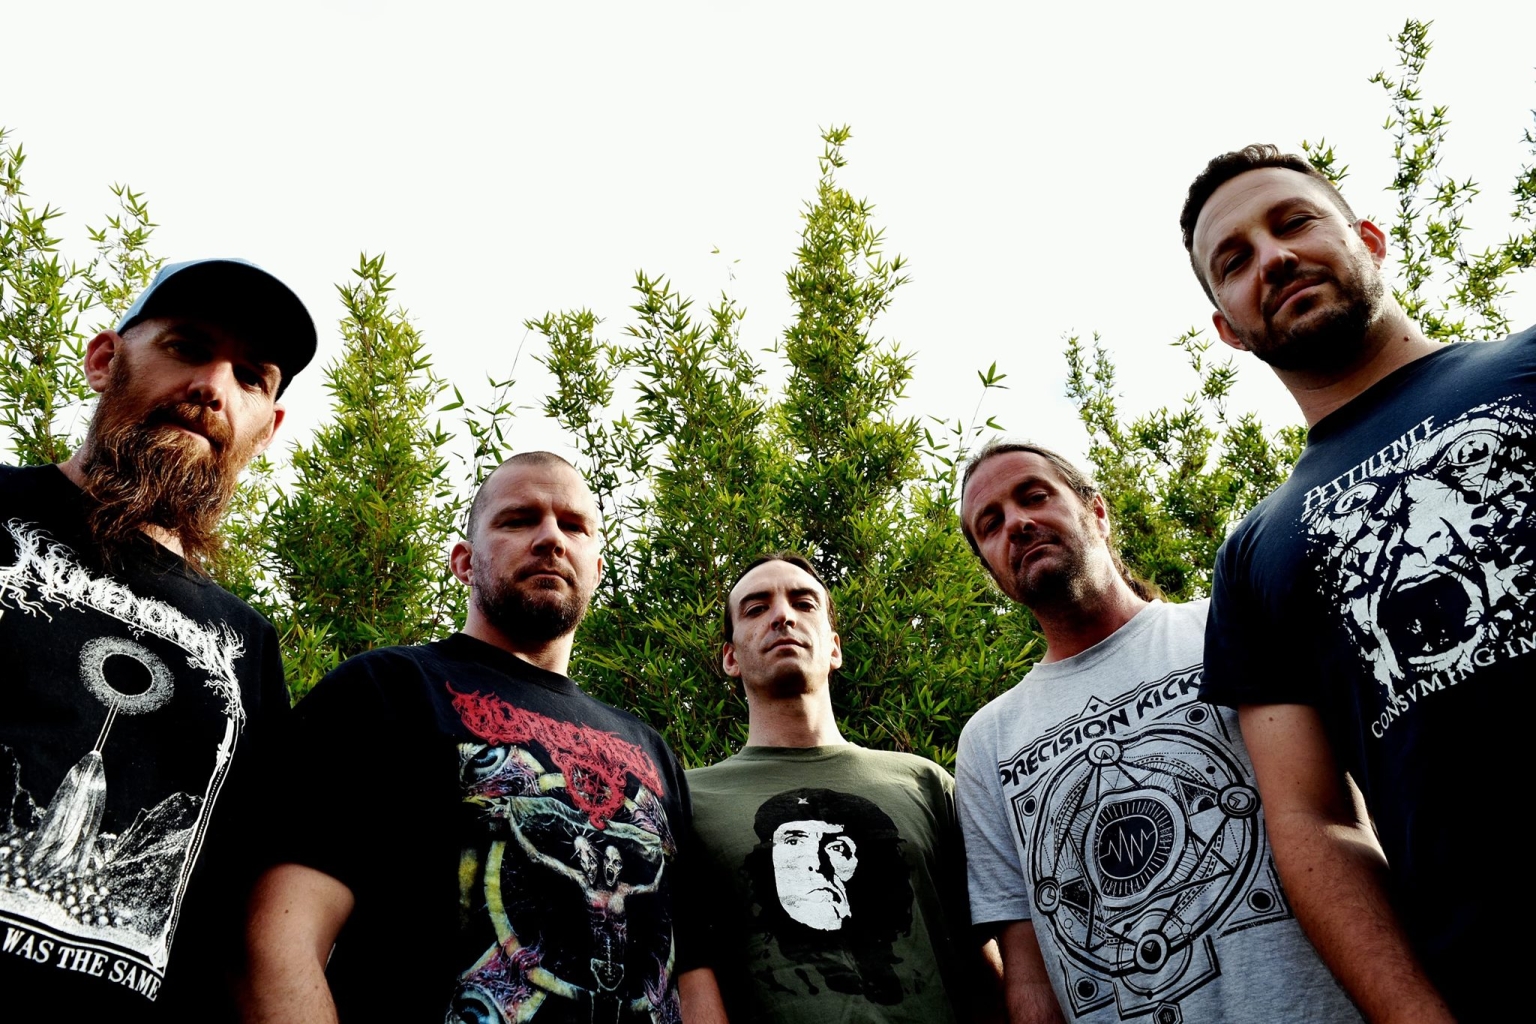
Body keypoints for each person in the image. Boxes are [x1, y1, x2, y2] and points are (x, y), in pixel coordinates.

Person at [1182, 144, 1535, 1022]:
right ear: (1228, 328)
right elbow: (1313, 821)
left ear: (1369, 239)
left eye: (1293, 222)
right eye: (1235, 260)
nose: (1272, 258)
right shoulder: (1252, 553)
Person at [243, 452, 707, 1023]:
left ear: (597, 567)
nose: (550, 539)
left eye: (574, 526)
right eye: (519, 519)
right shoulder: (386, 689)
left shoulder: (650, 748)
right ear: (464, 562)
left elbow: (692, 970)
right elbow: (276, 940)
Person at [0, 258, 315, 1020]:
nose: (212, 386)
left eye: (250, 377)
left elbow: (238, 930)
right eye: (186, 347)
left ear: (267, 430)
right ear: (104, 359)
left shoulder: (248, 647)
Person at [954, 440, 1358, 1024]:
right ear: (992, 570)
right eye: (990, 524)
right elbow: (1028, 969)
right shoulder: (988, 740)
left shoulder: (1225, 625)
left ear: (1097, 511)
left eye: (1034, 496)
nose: (1016, 523)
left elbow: (1346, 822)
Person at [683, 552, 999, 1023]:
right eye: (756, 608)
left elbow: (988, 958)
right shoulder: (686, 801)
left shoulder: (924, 784)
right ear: (730, 657)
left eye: (804, 603)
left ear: (834, 648)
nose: (783, 616)